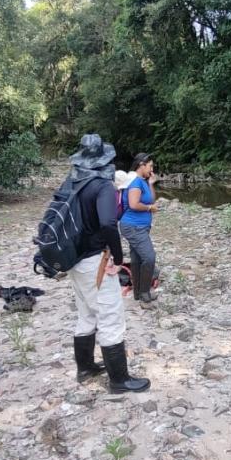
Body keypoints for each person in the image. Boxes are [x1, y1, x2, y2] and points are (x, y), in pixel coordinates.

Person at [68, 134, 150, 393]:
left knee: (86, 313)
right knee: (111, 316)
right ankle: (119, 380)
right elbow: (107, 223)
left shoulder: (72, 181)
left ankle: (85, 368)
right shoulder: (101, 185)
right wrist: (117, 257)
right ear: (104, 159)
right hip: (95, 260)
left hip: (74, 259)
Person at [119, 153, 160, 304]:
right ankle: (144, 293)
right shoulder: (135, 182)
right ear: (141, 165)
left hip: (140, 227)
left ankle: (137, 293)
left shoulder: (143, 181)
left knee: (136, 259)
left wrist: (151, 183)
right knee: (149, 257)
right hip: (132, 226)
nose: (152, 168)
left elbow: (151, 199)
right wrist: (149, 208)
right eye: (150, 166)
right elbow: (133, 204)